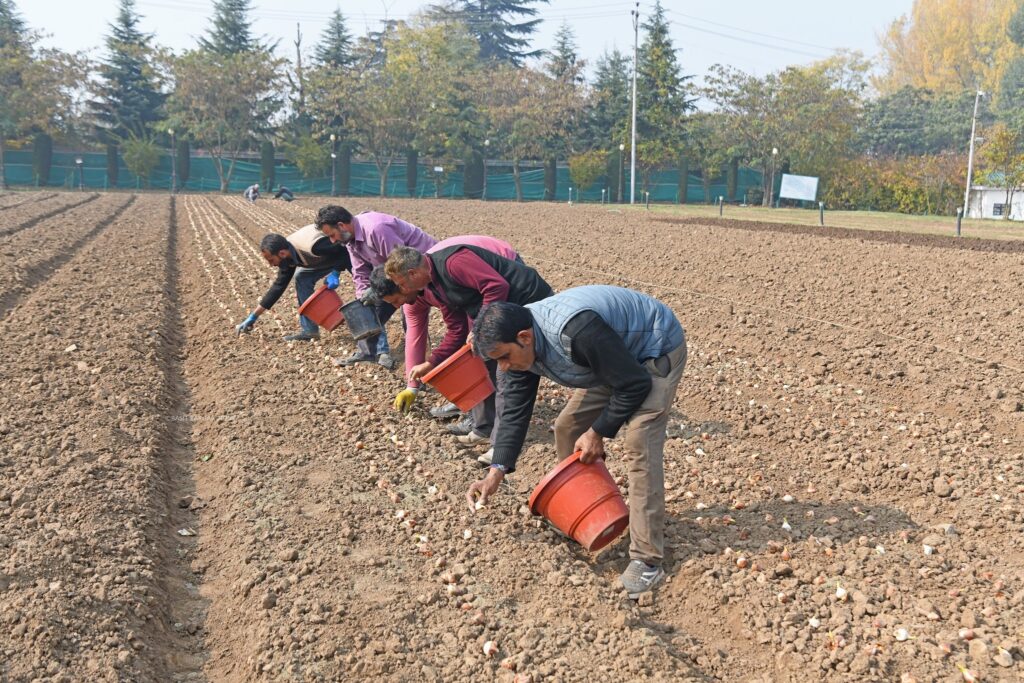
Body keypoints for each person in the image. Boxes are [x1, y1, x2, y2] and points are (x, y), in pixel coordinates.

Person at [465, 286, 687, 599]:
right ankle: (582, 508)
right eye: (495, 361)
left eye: (503, 358)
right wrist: (496, 470)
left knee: (639, 443)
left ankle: (647, 559)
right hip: (609, 362)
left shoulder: (576, 332)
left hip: (651, 352)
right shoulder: (516, 352)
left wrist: (599, 431)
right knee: (567, 427)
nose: (502, 367)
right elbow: (514, 409)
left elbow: (634, 383)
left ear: (525, 338)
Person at [383, 242, 553, 463]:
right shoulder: (433, 287)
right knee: (478, 361)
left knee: (508, 376)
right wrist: (431, 362)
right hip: (501, 314)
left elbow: (496, 286)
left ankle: (500, 446)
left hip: (528, 301)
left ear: (413, 273)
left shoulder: (454, 262)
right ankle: (483, 428)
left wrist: (480, 325)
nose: (403, 290)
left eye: (402, 284)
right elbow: (456, 329)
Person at [369, 235, 520, 438]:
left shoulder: (434, 281)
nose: (397, 306)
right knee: (469, 347)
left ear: (404, 284)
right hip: (471, 284)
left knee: (486, 349)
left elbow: (495, 288)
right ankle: (477, 414)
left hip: (500, 261)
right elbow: (418, 336)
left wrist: (479, 328)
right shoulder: (415, 294)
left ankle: (491, 420)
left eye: (396, 299)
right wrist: (412, 386)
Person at [315, 205, 437, 369]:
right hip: (393, 274)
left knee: (411, 315)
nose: (332, 240)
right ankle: (368, 353)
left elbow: (400, 262)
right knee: (370, 310)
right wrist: (362, 298)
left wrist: (375, 290)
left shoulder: (376, 229)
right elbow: (360, 271)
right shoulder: (350, 240)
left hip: (420, 270)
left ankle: (420, 364)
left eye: (332, 235)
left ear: (341, 225)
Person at [235, 225, 351, 342]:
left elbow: (345, 249)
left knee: (362, 279)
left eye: (271, 260)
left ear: (282, 253)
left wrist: (336, 272)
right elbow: (278, 286)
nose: (271, 265)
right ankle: (309, 331)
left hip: (347, 252)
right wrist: (254, 316)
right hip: (324, 259)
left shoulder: (313, 247)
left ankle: (368, 319)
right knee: (302, 277)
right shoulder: (287, 258)